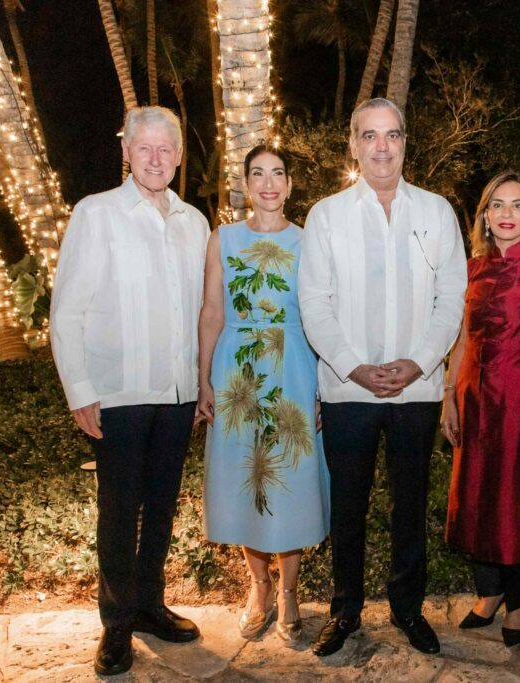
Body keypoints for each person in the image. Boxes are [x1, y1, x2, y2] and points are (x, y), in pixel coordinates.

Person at [298, 97, 468, 657]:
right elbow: (314, 305)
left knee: (409, 505)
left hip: (416, 391)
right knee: (347, 506)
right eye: (369, 136)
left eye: (392, 135)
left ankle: (407, 609)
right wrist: (356, 368)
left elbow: (451, 299)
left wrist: (418, 363)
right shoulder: (326, 216)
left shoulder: (437, 212)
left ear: (404, 142)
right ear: (353, 144)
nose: (381, 147)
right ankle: (345, 611)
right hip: (348, 391)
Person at [50, 106, 208, 676]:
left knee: (162, 506)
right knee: (119, 510)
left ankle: (148, 605)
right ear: (127, 152)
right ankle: (116, 624)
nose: (157, 158)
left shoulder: (194, 222)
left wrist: (200, 385)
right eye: (145, 148)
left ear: (179, 155)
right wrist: (80, 389)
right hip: (117, 393)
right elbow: (67, 311)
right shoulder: (97, 214)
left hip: (176, 393)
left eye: (167, 148)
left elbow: (200, 313)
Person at [197, 145, 329, 646]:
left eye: (278, 174)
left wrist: (322, 386)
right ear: (246, 184)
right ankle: (259, 587)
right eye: (258, 174)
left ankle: (291, 592)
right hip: (237, 372)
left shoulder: (309, 241)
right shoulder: (223, 239)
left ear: (291, 184)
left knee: (289, 481)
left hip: (293, 366)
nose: (269, 183)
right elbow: (211, 311)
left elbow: (319, 317)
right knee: (246, 476)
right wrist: (204, 378)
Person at [441, 171, 520, 647]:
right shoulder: (470, 269)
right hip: (473, 400)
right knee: (474, 496)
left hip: (519, 400)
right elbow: (459, 338)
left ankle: (519, 599)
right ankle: (488, 591)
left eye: (517, 205)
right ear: (485, 217)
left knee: (511, 500)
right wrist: (448, 396)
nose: (508, 214)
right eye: (498, 205)